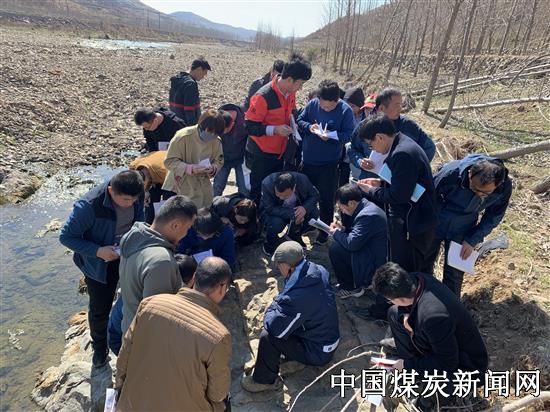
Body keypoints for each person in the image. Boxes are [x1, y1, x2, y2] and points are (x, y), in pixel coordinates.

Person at [115, 257, 232, 412]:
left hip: (133, 404)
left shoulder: (150, 303)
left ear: (194, 278)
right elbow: (217, 394)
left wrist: (119, 389)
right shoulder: (219, 335)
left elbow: (125, 355)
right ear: (222, 288)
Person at [59, 170, 144, 367]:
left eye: (134, 199)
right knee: (100, 308)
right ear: (111, 191)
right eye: (126, 200)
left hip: (125, 256)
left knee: (130, 298)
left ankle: (126, 337)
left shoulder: (135, 195)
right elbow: (66, 237)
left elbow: (139, 221)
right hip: (98, 264)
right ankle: (99, 348)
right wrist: (98, 251)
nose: (131, 203)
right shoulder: (89, 206)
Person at [372, 263, 488, 394]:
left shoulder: (433, 316)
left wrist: (407, 365)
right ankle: (411, 366)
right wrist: (405, 314)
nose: (391, 302)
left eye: (390, 300)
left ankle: (412, 372)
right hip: (440, 340)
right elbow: (405, 307)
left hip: (466, 366)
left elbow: (447, 362)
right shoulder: (418, 279)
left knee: (434, 388)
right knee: (394, 313)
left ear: (401, 299)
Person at [241, 241, 340, 393]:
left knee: (268, 336)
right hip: (327, 337)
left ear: (287, 266)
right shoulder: (319, 270)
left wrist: (274, 306)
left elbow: (275, 328)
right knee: (285, 322)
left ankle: (264, 380)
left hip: (318, 352)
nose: (277, 267)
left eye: (279, 264)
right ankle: (292, 358)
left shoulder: (297, 298)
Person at [357, 114, 437, 274]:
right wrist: (380, 183)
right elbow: (406, 182)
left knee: (408, 271)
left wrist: (372, 191)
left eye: (371, 145)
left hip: (414, 224)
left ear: (379, 137)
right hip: (418, 219)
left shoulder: (402, 154)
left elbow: (399, 196)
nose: (373, 150)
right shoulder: (403, 142)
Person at [427, 155, 512, 296]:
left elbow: (494, 215)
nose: (477, 193)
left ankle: (451, 305)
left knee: (455, 272)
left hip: (464, 228)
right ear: (470, 173)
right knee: (423, 263)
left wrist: (472, 239)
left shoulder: (504, 187)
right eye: (473, 187)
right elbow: (427, 199)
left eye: (484, 193)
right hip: (436, 221)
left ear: (497, 185)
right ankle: (422, 298)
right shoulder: (450, 173)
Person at [119, 195, 197, 334]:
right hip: (146, 339)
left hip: (128, 325)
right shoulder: (161, 260)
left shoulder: (134, 236)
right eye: (188, 228)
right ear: (176, 225)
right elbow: (157, 317)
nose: (186, 234)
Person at [245, 53, 312, 205]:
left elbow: (291, 111)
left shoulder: (290, 93)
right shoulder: (263, 96)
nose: (301, 88)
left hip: (279, 152)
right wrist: (274, 130)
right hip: (260, 154)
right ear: (290, 80)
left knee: (274, 192)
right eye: (301, 84)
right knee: (258, 192)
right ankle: (254, 219)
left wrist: (294, 123)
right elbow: (249, 126)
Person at [298, 79, 355, 245]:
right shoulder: (313, 104)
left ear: (337, 100)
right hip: (308, 161)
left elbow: (349, 134)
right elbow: (300, 120)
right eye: (322, 106)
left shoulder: (345, 111)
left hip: (329, 164)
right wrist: (310, 127)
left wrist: (331, 135)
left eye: (329, 107)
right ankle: (306, 224)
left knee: (326, 198)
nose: (325, 109)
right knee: (304, 195)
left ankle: (323, 232)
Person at [107, 254, 197, 356]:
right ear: (193, 278)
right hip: (121, 343)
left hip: (116, 334)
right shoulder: (164, 298)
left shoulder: (156, 280)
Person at [328, 184, 388, 299]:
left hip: (374, 261)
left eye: (342, 208)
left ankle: (351, 288)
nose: (342, 212)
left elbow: (352, 244)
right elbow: (359, 234)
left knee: (336, 250)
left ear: (351, 203)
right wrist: (343, 230)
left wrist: (336, 233)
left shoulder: (367, 215)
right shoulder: (366, 207)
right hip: (370, 250)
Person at [163, 109, 225, 208]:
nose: (212, 136)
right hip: (180, 184)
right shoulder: (183, 136)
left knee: (203, 212)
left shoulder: (216, 141)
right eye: (210, 132)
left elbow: (219, 160)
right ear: (201, 126)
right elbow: (169, 161)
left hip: (202, 186)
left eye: (215, 133)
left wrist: (213, 168)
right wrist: (189, 168)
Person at [260, 172, 319, 256]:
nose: (281, 198)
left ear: (294, 187)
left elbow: (314, 195)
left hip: (298, 207)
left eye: (286, 196)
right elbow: (270, 208)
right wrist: (294, 214)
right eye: (278, 194)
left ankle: (294, 234)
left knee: (314, 214)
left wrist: (304, 208)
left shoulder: (303, 180)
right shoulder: (267, 183)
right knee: (276, 224)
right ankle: (270, 244)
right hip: (277, 212)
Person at [374, 88, 436, 161]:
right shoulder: (367, 127)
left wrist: (416, 165)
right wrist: (362, 161)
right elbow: (360, 149)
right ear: (381, 108)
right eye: (397, 105)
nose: (400, 108)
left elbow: (430, 147)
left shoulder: (407, 125)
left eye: (401, 104)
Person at [177, 207, 236, 272]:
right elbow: (180, 250)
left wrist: (216, 266)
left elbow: (229, 259)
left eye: (210, 235)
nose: (204, 238)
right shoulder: (189, 230)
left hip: (215, 264)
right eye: (200, 234)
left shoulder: (226, 233)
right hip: (194, 262)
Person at [213, 103, 249, 197]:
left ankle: (244, 205)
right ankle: (212, 204)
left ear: (232, 124)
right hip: (222, 158)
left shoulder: (246, 121)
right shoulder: (217, 119)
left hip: (241, 159)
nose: (223, 133)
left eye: (224, 131)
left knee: (244, 188)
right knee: (217, 187)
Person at [168, 57, 211, 125]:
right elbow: (189, 108)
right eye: (204, 73)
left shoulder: (177, 78)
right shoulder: (190, 84)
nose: (203, 77)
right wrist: (192, 126)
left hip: (174, 119)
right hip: (184, 123)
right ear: (199, 69)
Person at [129, 150, 168, 224]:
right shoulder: (133, 166)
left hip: (168, 174)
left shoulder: (163, 172)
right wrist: (145, 191)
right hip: (154, 168)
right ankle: (148, 223)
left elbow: (176, 184)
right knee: (149, 199)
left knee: (168, 199)